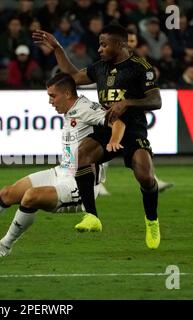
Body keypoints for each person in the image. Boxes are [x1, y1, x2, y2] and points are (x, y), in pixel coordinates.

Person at [0, 72, 125, 257]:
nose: (50, 102)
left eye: (53, 96)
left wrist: (114, 140)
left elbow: (117, 122)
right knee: (8, 192)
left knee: (30, 197)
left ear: (67, 93)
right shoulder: (73, 108)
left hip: (79, 185)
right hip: (60, 171)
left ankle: (4, 246)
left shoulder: (85, 108)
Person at [33, 24, 162, 249]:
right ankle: (92, 216)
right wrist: (57, 48)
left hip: (133, 130)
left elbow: (156, 101)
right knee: (82, 153)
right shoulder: (100, 67)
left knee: (146, 177)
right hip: (107, 126)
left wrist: (128, 102)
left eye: (104, 44)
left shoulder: (141, 67)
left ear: (120, 44)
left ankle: (151, 220)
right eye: (99, 44)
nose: (100, 49)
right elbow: (72, 76)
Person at [97, 30, 174, 196]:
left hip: (131, 114)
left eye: (134, 40)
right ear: (123, 42)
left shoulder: (140, 62)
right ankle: (98, 182)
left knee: (137, 149)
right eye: (129, 40)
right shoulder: (111, 61)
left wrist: (133, 101)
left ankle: (152, 178)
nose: (131, 43)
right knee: (103, 144)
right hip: (112, 112)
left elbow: (150, 85)